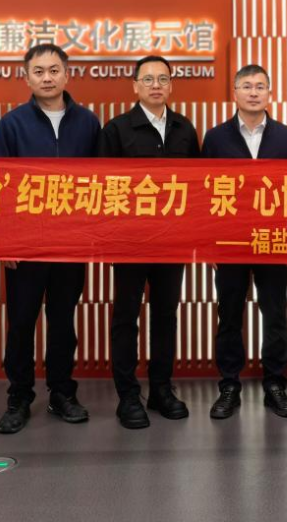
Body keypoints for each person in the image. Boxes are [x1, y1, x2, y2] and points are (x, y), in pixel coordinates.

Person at [0, 44, 101, 433]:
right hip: (25, 244)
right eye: (38, 71)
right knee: (21, 321)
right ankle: (19, 397)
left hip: (71, 242)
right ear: (27, 78)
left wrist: (91, 236)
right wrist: (5, 240)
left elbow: (101, 184)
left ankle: (62, 393)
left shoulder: (88, 123)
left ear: (67, 75)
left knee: (62, 321)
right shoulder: (11, 124)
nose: (47, 78)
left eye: (54, 70)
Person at [97, 55, 200, 429]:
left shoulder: (185, 129)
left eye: (163, 79)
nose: (156, 85)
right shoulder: (117, 129)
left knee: (166, 315)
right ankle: (127, 396)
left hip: (172, 241)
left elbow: (197, 187)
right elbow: (102, 187)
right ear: (135, 86)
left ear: (171, 85)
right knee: (126, 316)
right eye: (148, 79)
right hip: (129, 241)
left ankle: (161, 389)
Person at [201, 64, 287, 419]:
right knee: (229, 314)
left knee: (275, 313)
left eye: (260, 86)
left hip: (273, 240)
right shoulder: (215, 138)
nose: (254, 92)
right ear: (235, 93)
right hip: (229, 241)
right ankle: (229, 385)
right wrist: (210, 241)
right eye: (247, 86)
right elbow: (205, 192)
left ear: (270, 93)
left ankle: (274, 384)